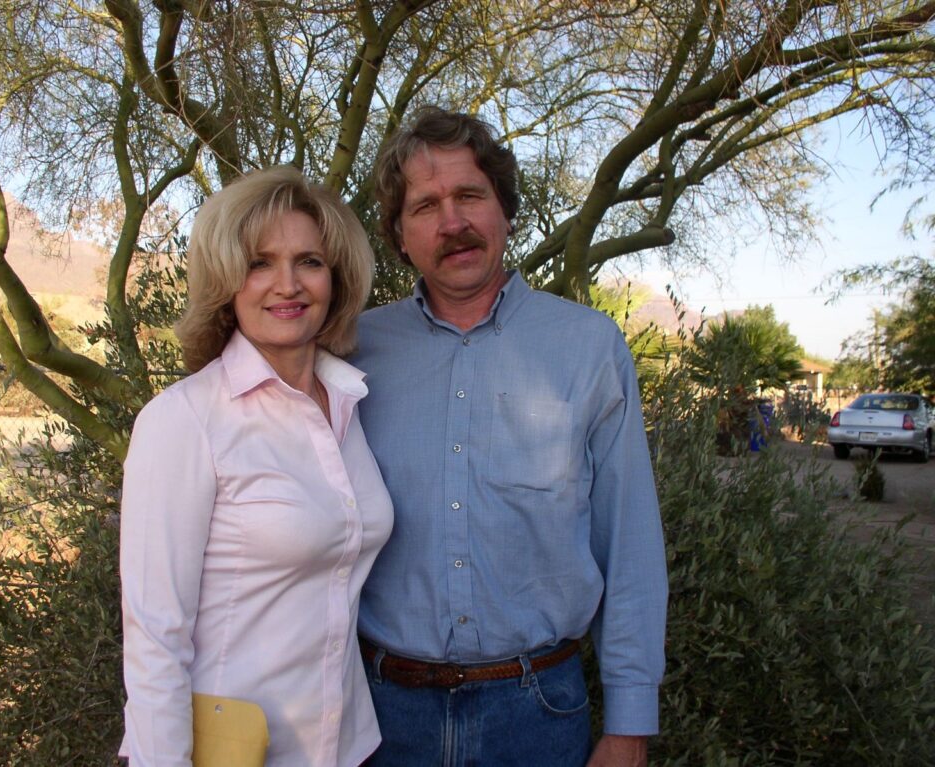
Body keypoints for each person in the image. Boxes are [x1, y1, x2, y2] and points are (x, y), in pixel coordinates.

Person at [351, 108, 668, 767]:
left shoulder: (588, 346)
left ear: (505, 210)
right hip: (381, 718)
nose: (453, 222)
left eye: (470, 195)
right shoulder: (353, 355)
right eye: (426, 205)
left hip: (538, 715)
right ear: (399, 235)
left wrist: (630, 724)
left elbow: (629, 544)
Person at [119, 166, 394, 767]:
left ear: (337, 277)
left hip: (349, 747)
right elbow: (155, 636)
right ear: (226, 281)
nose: (287, 285)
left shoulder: (348, 403)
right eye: (259, 263)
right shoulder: (185, 420)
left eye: (309, 262)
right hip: (235, 753)